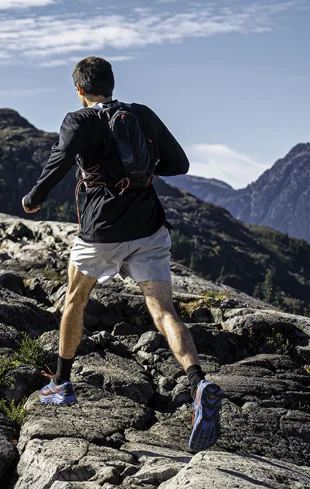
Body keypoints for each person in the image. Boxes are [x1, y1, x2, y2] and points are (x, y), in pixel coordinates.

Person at [22, 56, 223, 451]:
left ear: (79, 89)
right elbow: (179, 163)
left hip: (101, 231)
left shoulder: (78, 120)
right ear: (112, 84)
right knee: (164, 311)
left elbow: (60, 161)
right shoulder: (141, 114)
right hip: (148, 226)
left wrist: (34, 198)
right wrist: (140, 175)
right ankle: (199, 382)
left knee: (75, 302)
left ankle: (61, 383)